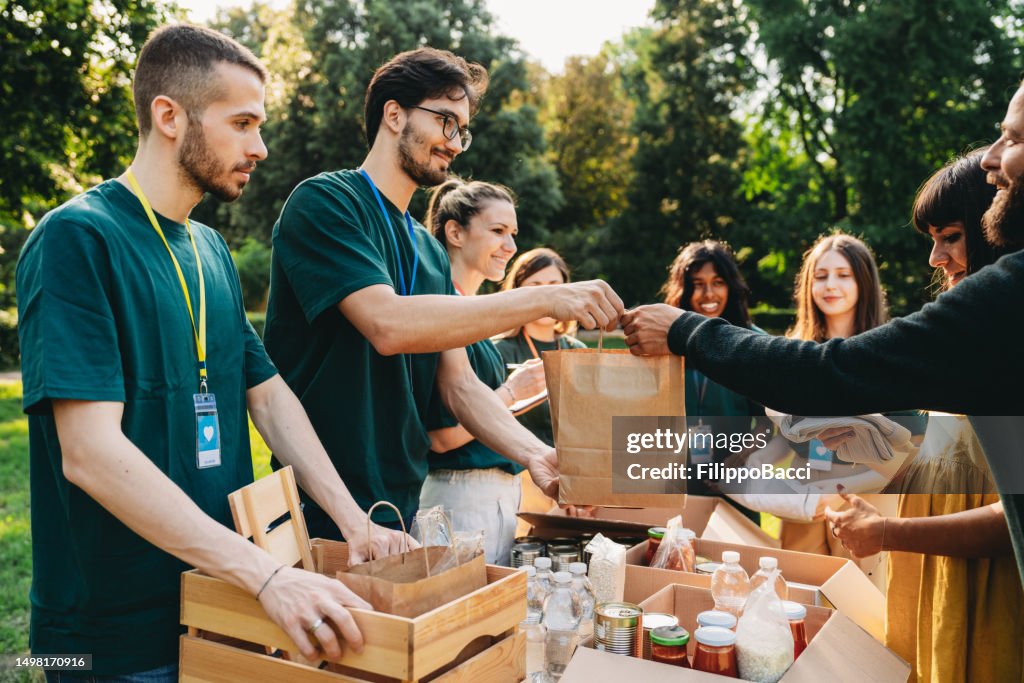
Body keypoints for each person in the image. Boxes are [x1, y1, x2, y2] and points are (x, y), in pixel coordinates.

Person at [16, 25, 408, 681]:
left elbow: (267, 393)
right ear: (169, 115)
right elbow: (89, 454)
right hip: (106, 640)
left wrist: (353, 519)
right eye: (243, 122)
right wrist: (267, 575)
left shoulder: (212, 251)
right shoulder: (77, 238)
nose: (260, 147)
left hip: (216, 605)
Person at [620, 79, 1024, 587]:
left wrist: (685, 330)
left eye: (1013, 139)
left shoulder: (996, 307)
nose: (993, 158)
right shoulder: (980, 324)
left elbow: (827, 373)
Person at [262, 47, 623, 539]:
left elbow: (459, 386)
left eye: (463, 130)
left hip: (400, 507)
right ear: (394, 114)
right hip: (319, 505)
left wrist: (535, 454)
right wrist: (543, 298)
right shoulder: (327, 202)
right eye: (446, 121)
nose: (456, 143)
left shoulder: (428, 252)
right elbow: (387, 324)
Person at [823, 150, 1022, 682]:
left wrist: (887, 531)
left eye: (951, 236)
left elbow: (1013, 522)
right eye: (932, 239)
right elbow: (962, 459)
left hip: (990, 595)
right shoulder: (973, 337)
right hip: (938, 579)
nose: (935, 257)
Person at [416, 178, 547, 564]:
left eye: (513, 233)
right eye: (498, 231)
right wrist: (510, 392)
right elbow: (440, 436)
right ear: (455, 232)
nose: (511, 246)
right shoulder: (441, 309)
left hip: (492, 499)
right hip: (459, 500)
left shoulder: (469, 312)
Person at [659, 240, 766, 524]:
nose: (708, 294)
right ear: (683, 289)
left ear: (731, 286)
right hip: (676, 483)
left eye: (717, 282)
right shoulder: (665, 344)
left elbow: (772, 421)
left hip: (735, 484)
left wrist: (740, 459)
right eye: (697, 283)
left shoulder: (754, 343)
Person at [494, 247, 588, 530]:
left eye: (553, 287)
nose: (546, 296)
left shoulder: (580, 352)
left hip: (576, 488)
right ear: (517, 291)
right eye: (534, 286)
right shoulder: (499, 351)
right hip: (519, 487)